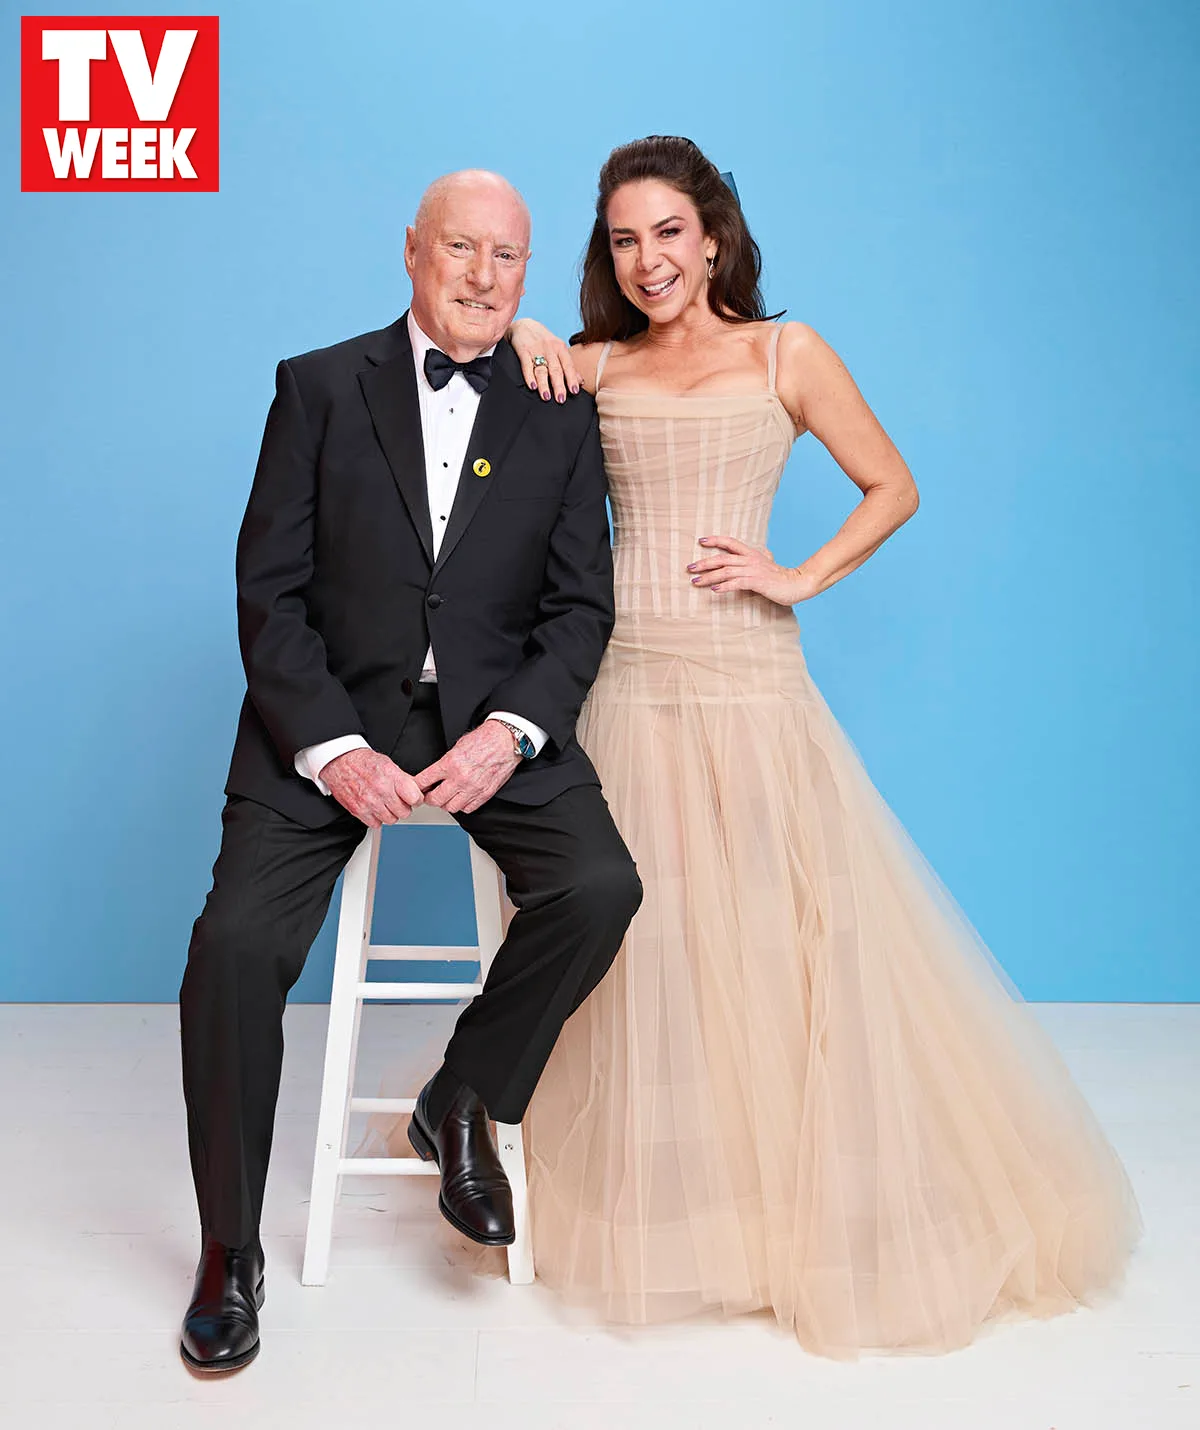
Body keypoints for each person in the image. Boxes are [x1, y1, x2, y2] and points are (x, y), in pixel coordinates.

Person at [505, 135, 1140, 1356]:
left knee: (768, 935)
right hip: (621, 678)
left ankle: (777, 1210)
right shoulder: (593, 364)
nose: (650, 261)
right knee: (644, 939)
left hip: (747, 673)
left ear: (715, 232)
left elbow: (891, 483)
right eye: (626, 240)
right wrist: (536, 332)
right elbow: (489, 367)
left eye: (670, 233)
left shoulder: (787, 351)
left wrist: (797, 575)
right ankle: (676, 1205)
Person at [178, 169, 642, 1373]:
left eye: (509, 258)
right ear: (411, 251)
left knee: (600, 885)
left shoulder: (555, 404)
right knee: (231, 947)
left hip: (487, 719)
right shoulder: (319, 385)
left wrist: (514, 732)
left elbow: (580, 609)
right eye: (461, 249)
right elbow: (268, 597)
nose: (485, 276)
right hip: (326, 723)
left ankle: (465, 1095)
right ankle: (230, 1246)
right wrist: (331, 748)